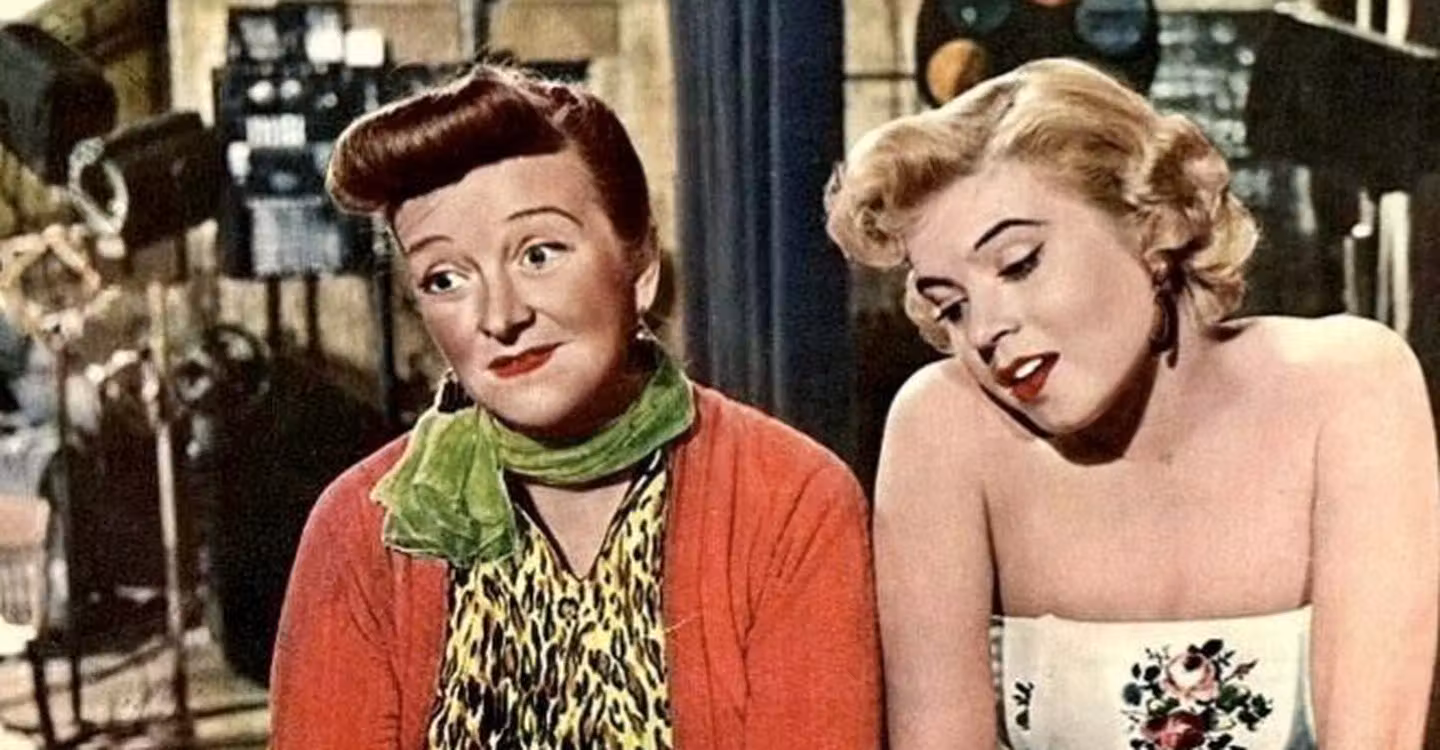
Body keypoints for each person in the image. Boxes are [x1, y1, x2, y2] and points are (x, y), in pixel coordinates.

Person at [825, 58, 1438, 750]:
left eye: (1020, 263)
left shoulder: (1349, 386)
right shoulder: (944, 427)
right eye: (952, 306)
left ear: (1151, 225)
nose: (985, 330)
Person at [270, 63, 881, 749]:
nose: (500, 316)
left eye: (539, 254)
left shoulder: (791, 501)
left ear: (640, 266)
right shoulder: (359, 531)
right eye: (445, 279)